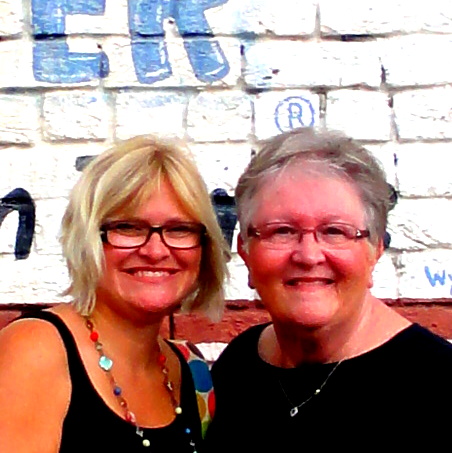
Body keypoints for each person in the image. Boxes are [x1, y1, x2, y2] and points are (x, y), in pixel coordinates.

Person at [205, 127, 452, 451]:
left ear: (375, 249)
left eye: (335, 231)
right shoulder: (239, 367)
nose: (308, 255)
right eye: (282, 231)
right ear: (246, 250)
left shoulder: (439, 385)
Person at [0, 135, 229, 452]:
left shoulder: (192, 370)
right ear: (87, 239)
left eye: (179, 229)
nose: (155, 251)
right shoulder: (36, 351)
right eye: (128, 227)